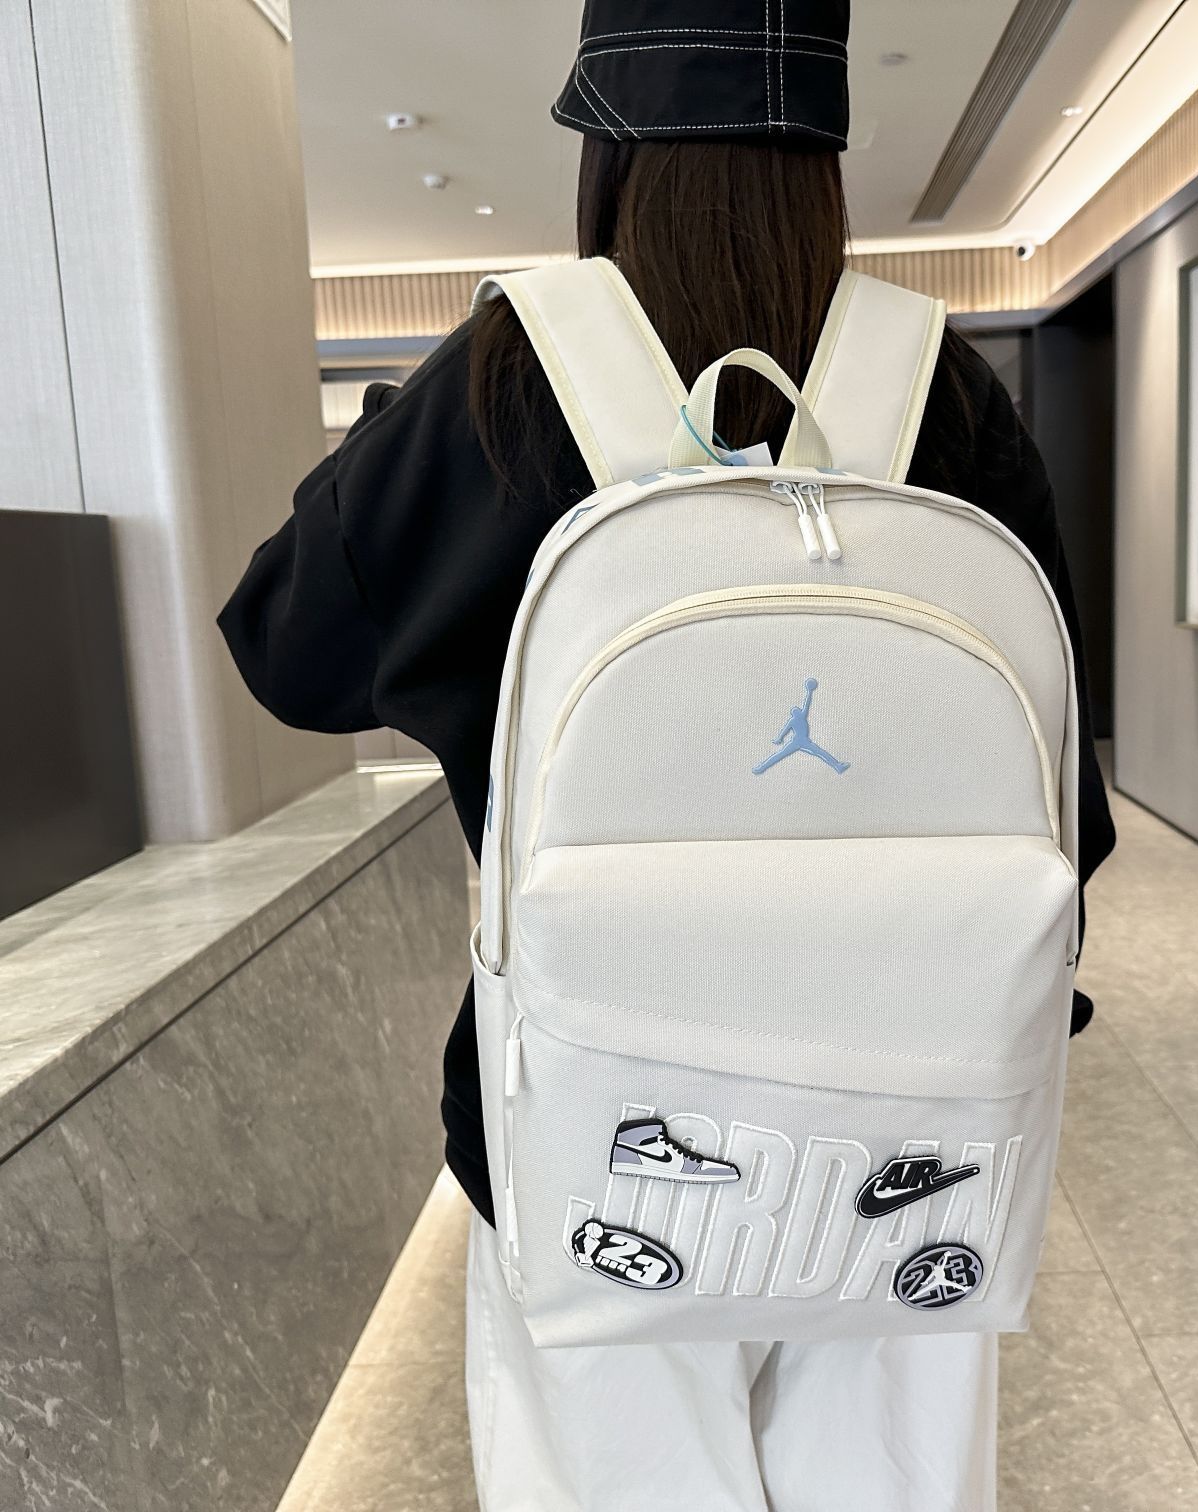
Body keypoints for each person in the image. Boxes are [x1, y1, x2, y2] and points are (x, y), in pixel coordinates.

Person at [219, 3, 1115, 1506]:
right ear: (827, 152)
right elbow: (1067, 816)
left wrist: (398, 446)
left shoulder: (507, 380)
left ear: (604, 148)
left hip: (591, 1127)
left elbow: (283, 647)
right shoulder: (943, 393)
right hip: (918, 1133)